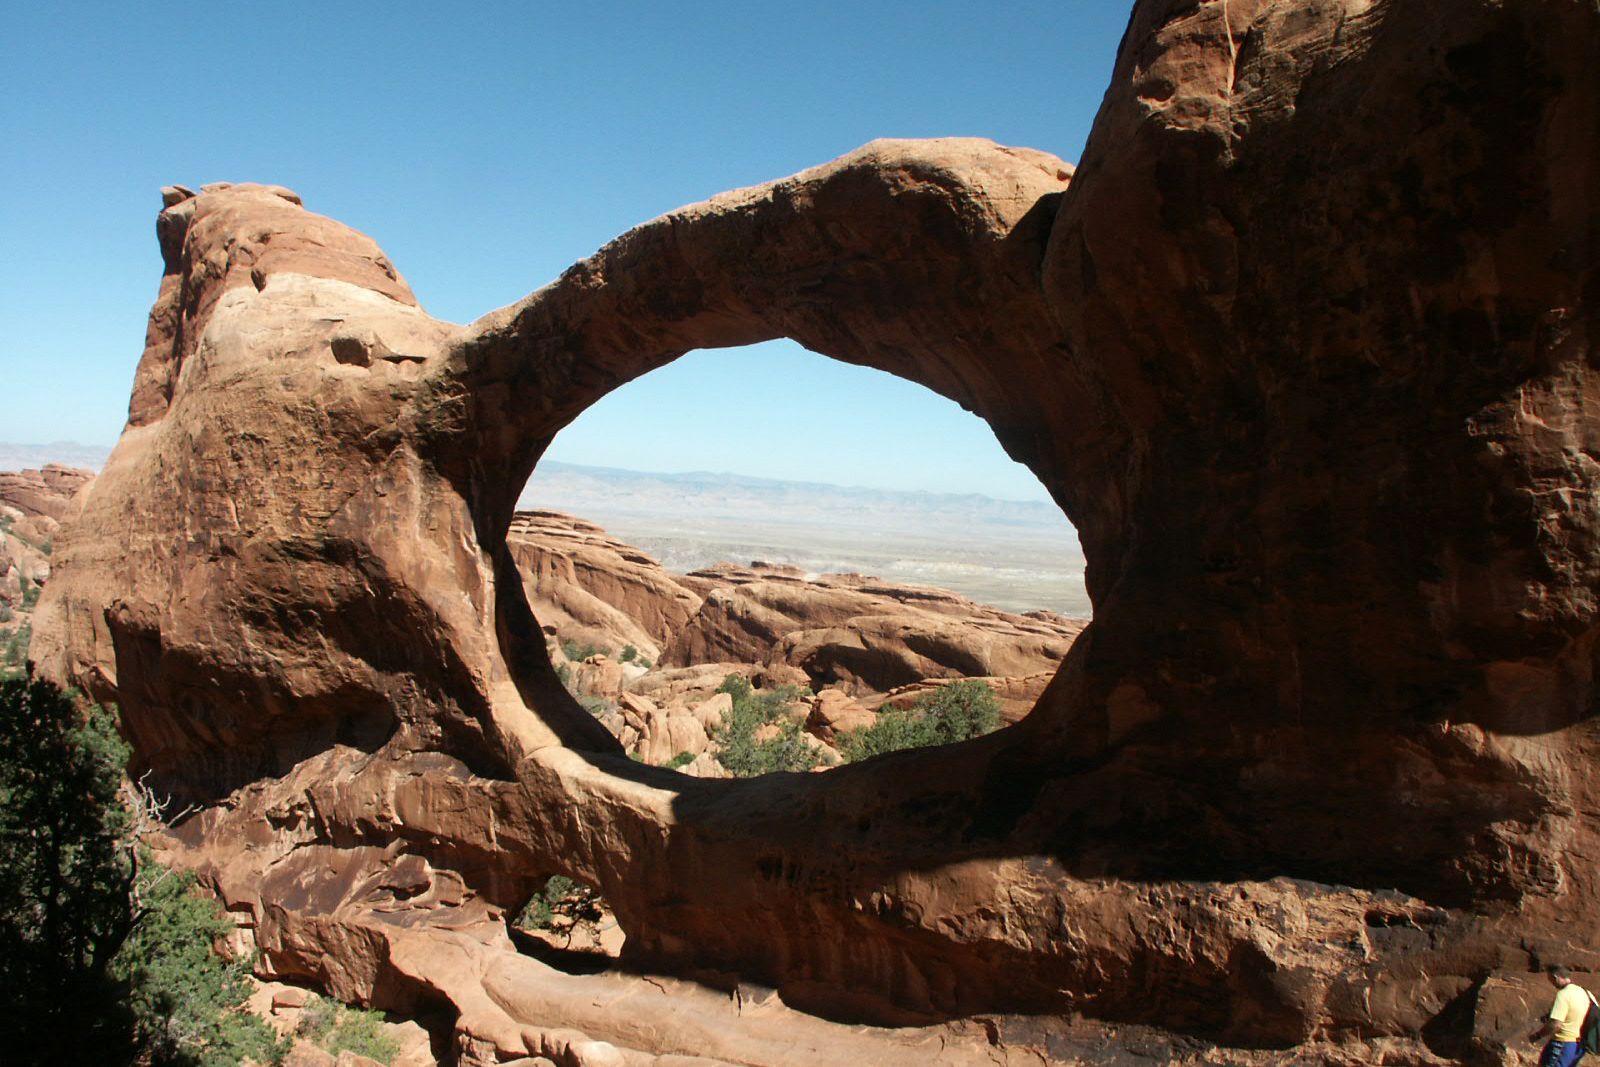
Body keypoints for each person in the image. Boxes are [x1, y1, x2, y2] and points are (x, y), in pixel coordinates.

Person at [1529, 964, 1592, 1066]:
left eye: (1550, 979)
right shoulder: (1584, 992)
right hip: (1578, 1045)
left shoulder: (1563, 994)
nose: (1551, 982)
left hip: (1562, 1043)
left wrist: (1538, 1035)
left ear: (1556, 977)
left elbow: (1556, 1024)